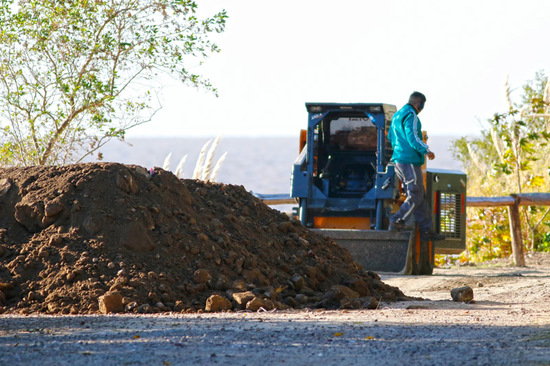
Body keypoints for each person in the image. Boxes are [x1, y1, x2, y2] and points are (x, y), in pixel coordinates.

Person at [387, 91, 446, 241]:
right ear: (419, 104)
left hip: (399, 161)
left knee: (419, 196)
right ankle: (397, 220)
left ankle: (426, 230)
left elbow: (390, 137)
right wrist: (426, 150)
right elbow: (412, 137)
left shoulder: (397, 115)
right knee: (415, 195)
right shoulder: (411, 115)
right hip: (409, 161)